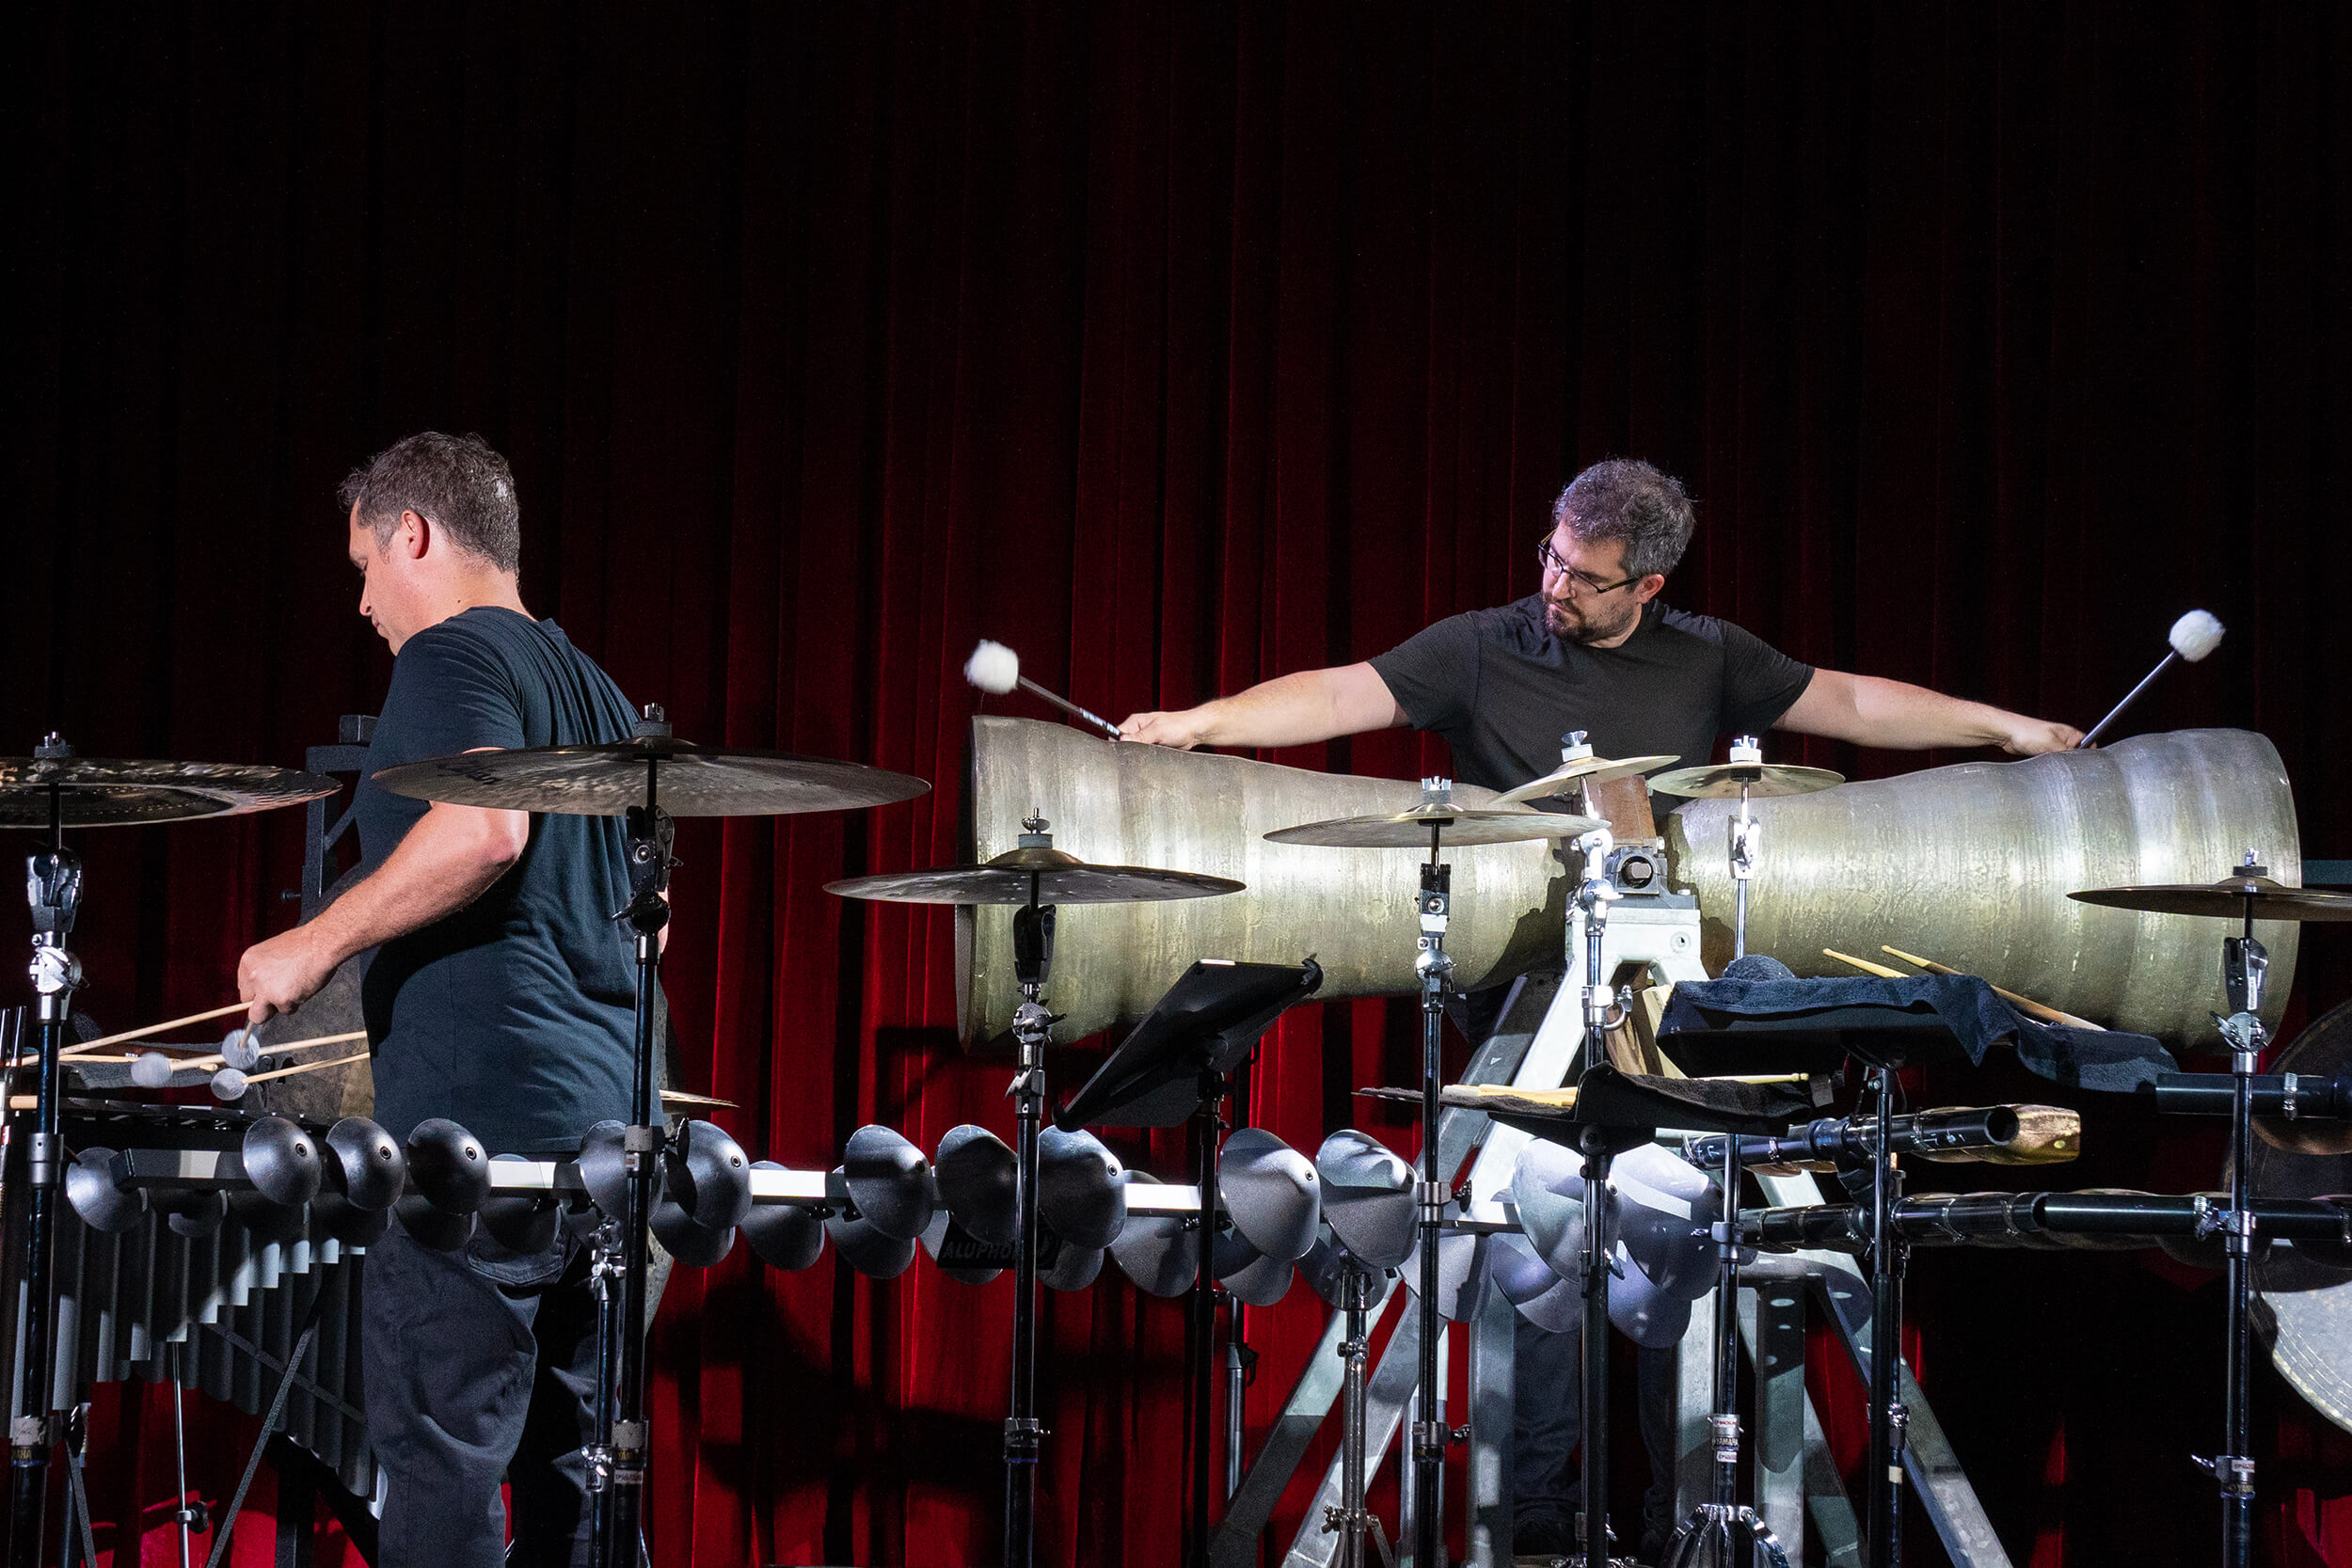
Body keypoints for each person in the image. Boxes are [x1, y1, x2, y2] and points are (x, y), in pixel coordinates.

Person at [1119, 457, 2082, 1560]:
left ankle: (1688, 1518)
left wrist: (2002, 726)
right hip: (1532, 1008)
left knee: (1683, 1247)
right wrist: (1203, 721)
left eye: (1583, 576)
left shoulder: (1712, 654)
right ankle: (1532, 1520)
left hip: (1674, 1005)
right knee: (1538, 1259)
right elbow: (1345, 690)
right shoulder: (1485, 646)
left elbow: (1852, 701)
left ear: (1649, 586)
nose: (1554, 586)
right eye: (1551, 556)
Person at [236, 432, 640, 1568]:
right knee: (574, 1481)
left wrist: (310, 945)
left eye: (365, 563)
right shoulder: (595, 688)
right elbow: (641, 908)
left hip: (473, 1138)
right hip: (597, 1140)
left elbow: (484, 830)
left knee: (440, 1465)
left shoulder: (449, 655)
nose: (363, 602)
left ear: (412, 534)